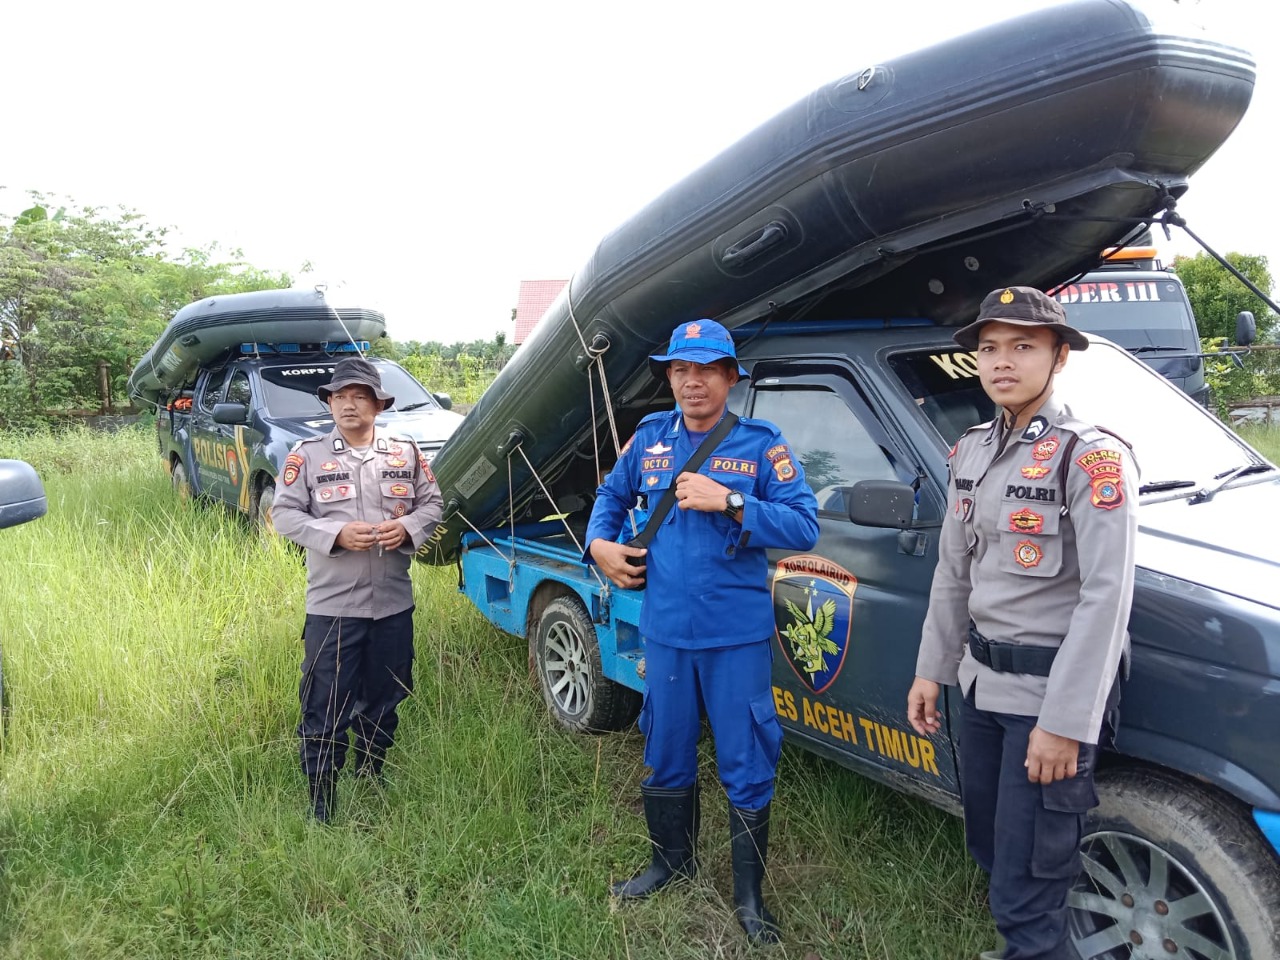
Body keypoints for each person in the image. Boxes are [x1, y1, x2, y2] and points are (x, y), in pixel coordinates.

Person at [906, 287, 1138, 960]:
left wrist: (1065, 723)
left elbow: (1107, 597)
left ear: (1059, 356)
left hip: (1045, 702)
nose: (1001, 362)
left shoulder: (1089, 457)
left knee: (1029, 884)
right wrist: (931, 669)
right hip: (980, 689)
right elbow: (954, 574)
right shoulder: (972, 451)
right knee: (991, 847)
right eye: (989, 348)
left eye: (1023, 346)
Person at [584, 318, 819, 944]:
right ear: (669, 377)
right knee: (664, 748)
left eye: (707, 370)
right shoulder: (650, 437)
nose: (693, 382)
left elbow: (804, 527)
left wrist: (733, 502)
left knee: (746, 759)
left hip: (733, 637)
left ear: (730, 378)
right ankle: (670, 861)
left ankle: (749, 897)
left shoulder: (760, 444)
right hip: (665, 632)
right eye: (682, 370)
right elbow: (610, 493)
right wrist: (599, 544)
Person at [272, 356, 443, 822]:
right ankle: (321, 802)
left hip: (392, 604)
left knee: (386, 695)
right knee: (325, 703)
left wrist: (407, 527)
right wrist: (335, 535)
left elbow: (432, 503)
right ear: (329, 403)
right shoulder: (306, 455)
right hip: (334, 607)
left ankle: (371, 774)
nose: (348, 405)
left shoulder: (404, 452)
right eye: (340, 396)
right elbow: (283, 515)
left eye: (359, 396)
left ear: (377, 404)